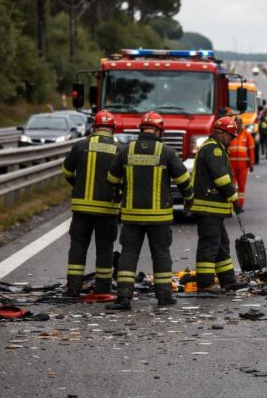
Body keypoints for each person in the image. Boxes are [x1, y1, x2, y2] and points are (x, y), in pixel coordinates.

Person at [105, 111, 193, 310]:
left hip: (131, 215)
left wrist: (117, 193)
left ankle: (124, 298)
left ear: (141, 129)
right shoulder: (167, 152)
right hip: (159, 216)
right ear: (159, 131)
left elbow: (112, 178)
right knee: (161, 254)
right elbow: (183, 180)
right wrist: (189, 200)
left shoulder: (127, 150)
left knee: (128, 254)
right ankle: (164, 297)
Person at [61, 110, 121, 297]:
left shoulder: (80, 146)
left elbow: (67, 171)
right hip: (107, 209)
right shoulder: (120, 149)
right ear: (112, 129)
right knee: (105, 248)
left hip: (81, 209)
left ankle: (73, 289)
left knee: (78, 247)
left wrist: (77, 185)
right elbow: (124, 179)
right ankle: (103, 288)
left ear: (94, 127)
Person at [190, 116, 241, 293]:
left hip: (214, 209)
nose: (231, 140)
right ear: (221, 132)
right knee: (210, 245)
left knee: (221, 245)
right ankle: (205, 283)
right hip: (208, 207)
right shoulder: (214, 150)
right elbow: (221, 179)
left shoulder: (216, 148)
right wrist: (234, 199)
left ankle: (228, 281)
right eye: (230, 136)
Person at [229, 115, 255, 211]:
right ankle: (233, 205)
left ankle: (239, 206)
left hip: (243, 166)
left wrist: (252, 163)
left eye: (240, 122)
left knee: (241, 187)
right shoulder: (230, 134)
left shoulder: (247, 134)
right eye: (237, 122)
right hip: (232, 165)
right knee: (232, 186)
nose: (238, 124)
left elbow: (251, 150)